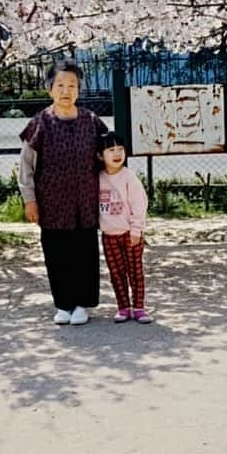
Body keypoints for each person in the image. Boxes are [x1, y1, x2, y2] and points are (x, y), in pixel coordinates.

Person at [18, 58, 108, 326]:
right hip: (53, 203)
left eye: (72, 85)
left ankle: (82, 303)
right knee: (57, 254)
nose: (66, 90)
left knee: (85, 253)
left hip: (86, 202)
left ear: (79, 90)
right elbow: (26, 166)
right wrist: (30, 200)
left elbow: (108, 158)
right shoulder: (40, 124)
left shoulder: (92, 121)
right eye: (60, 85)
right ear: (50, 89)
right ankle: (63, 304)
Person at [96, 131, 152, 324]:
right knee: (116, 273)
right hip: (108, 235)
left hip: (129, 234)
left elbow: (139, 204)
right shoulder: (97, 178)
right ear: (100, 155)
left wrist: (137, 230)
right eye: (111, 150)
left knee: (135, 272)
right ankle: (123, 307)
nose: (117, 153)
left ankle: (139, 307)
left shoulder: (128, 177)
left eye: (120, 149)